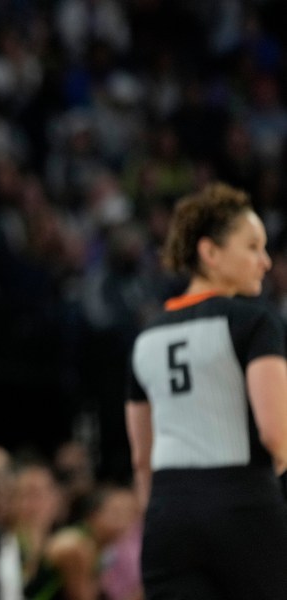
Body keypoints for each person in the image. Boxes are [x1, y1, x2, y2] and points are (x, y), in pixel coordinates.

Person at [125, 182, 287, 599]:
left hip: (167, 517)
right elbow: (277, 435)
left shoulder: (146, 337)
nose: (265, 262)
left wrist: (161, 515)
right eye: (253, 246)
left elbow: (142, 458)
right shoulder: (255, 322)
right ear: (210, 252)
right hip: (245, 510)